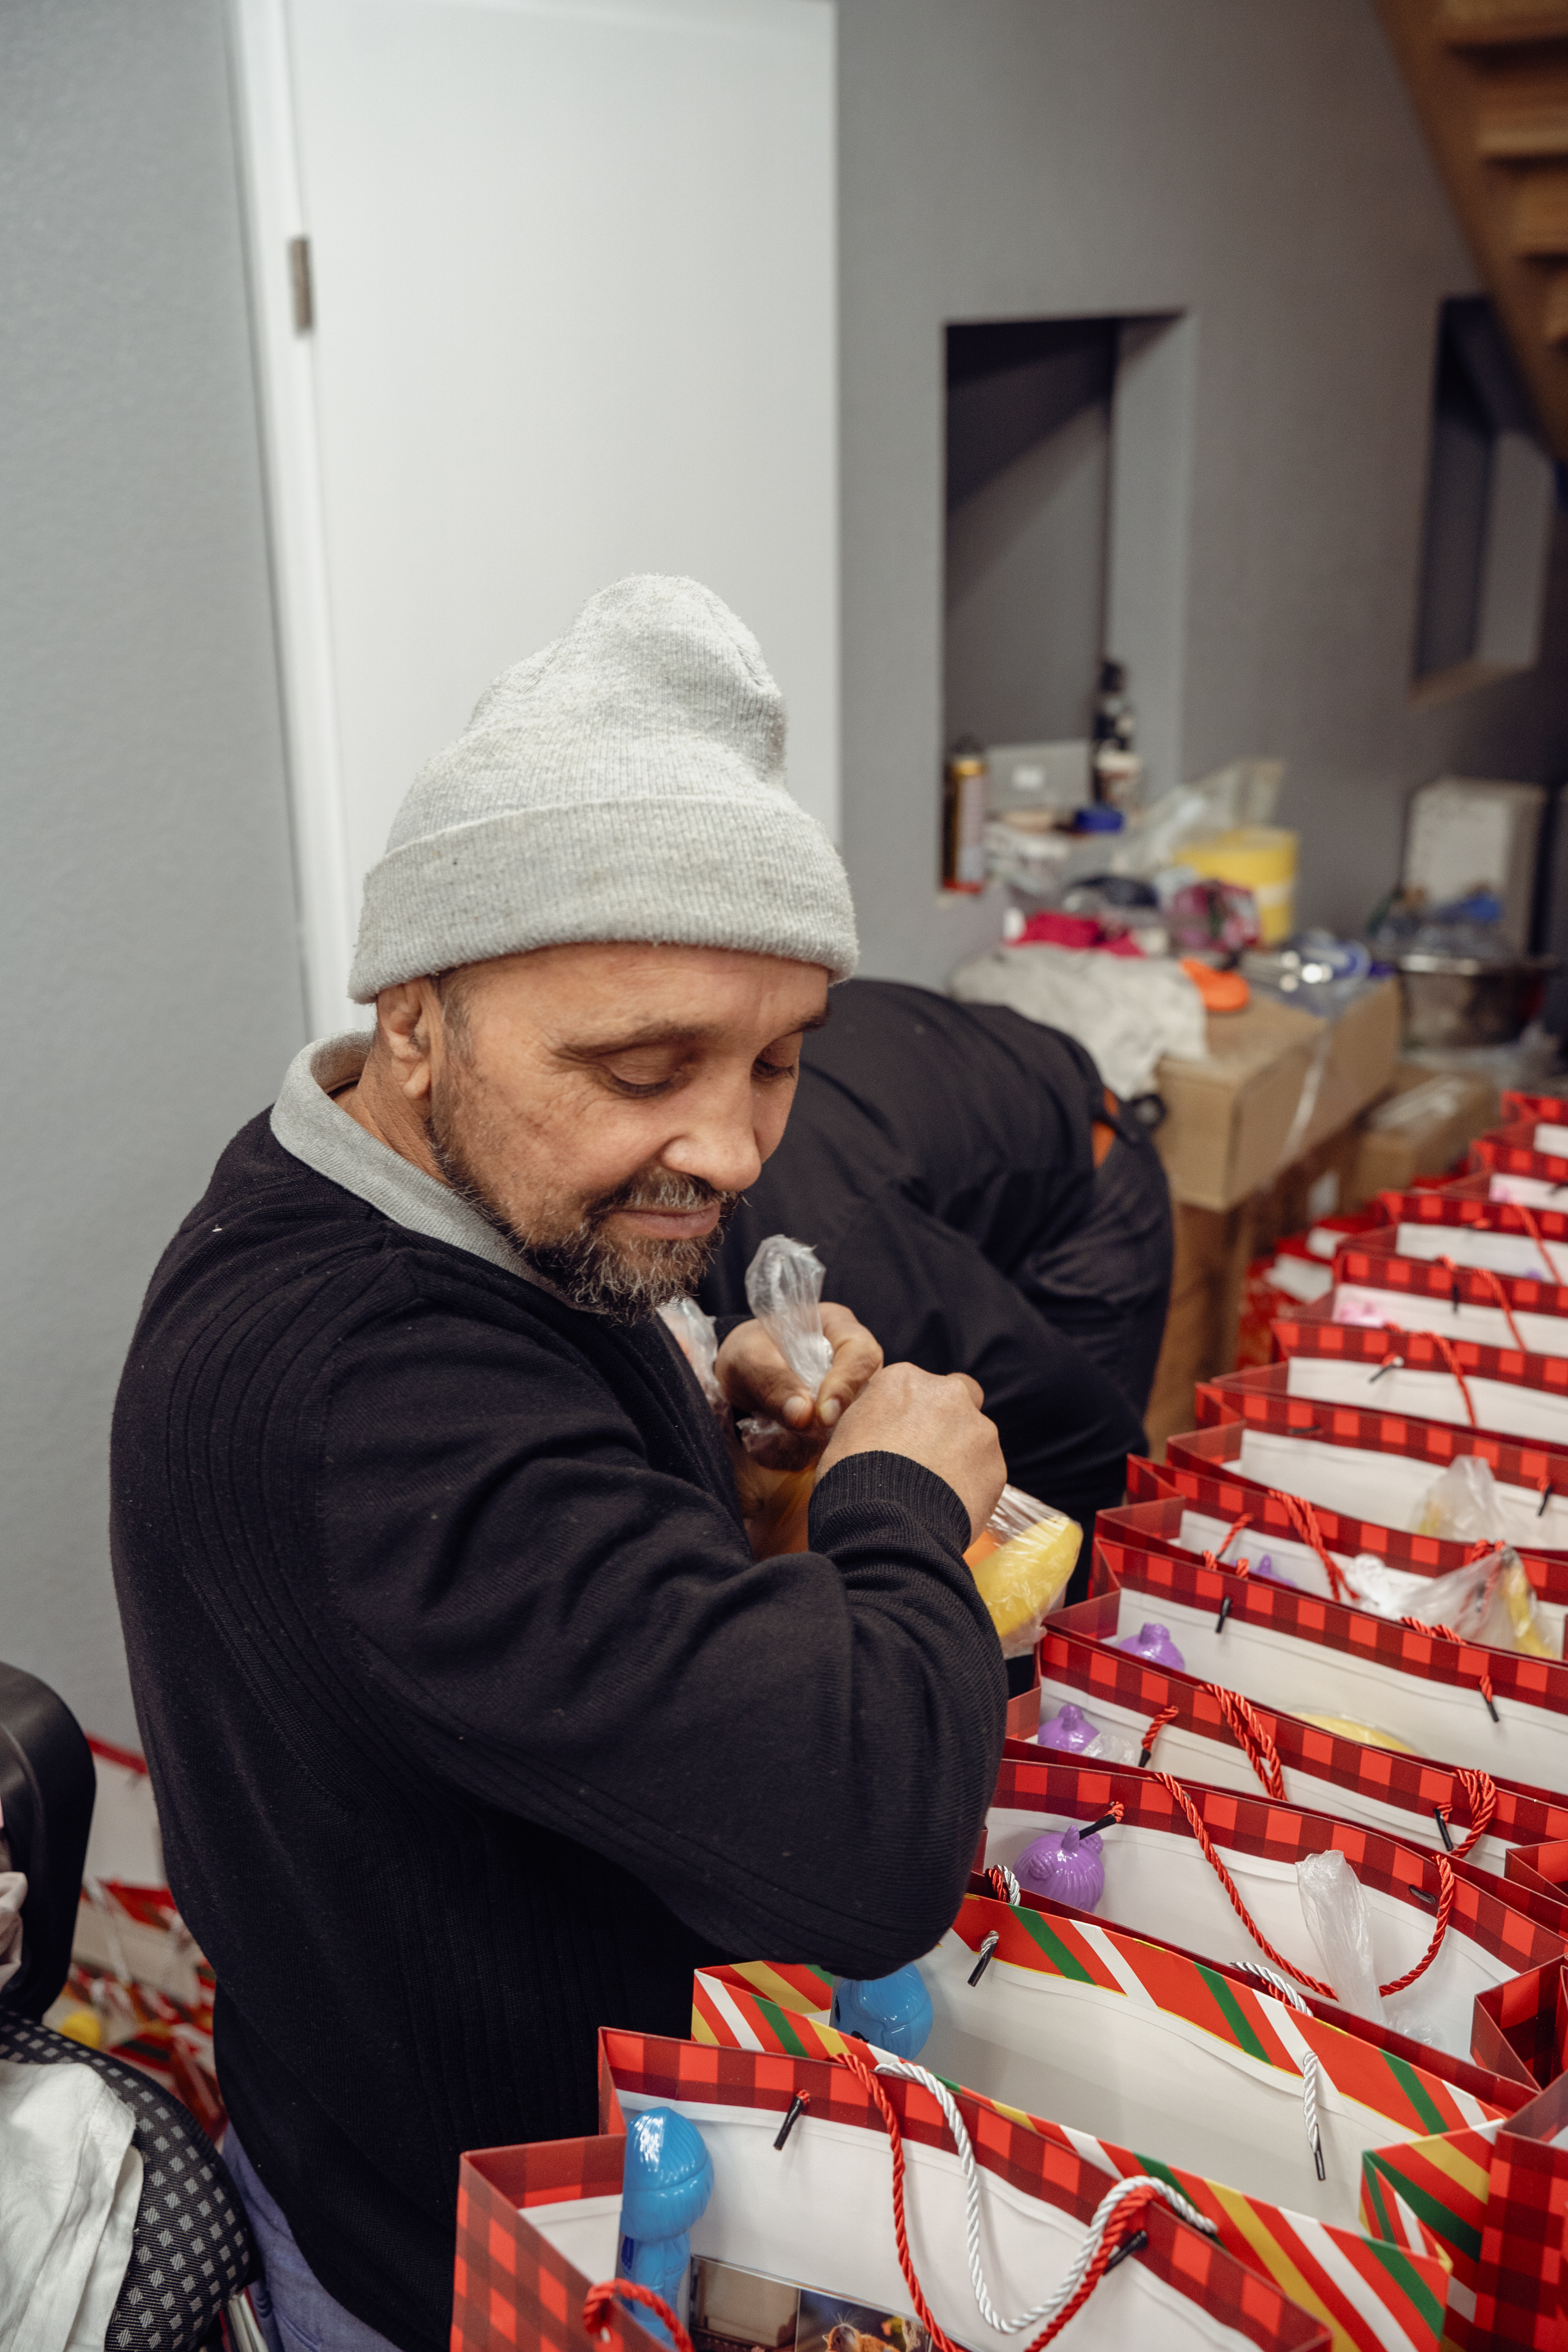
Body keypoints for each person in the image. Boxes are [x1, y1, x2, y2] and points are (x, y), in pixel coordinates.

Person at [109, 577, 1008, 2352]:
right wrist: (891, 1504)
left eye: (772, 1063)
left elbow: (494, 1564)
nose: (730, 1146)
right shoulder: (368, 1393)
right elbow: (858, 1837)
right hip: (466, 2250)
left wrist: (700, 1447)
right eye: (639, 1065)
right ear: (418, 1009)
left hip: (448, 2090)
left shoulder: (371, 1176)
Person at [702, 978, 1172, 1591]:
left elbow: (1088, 1439)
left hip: (1080, 1173)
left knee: (1052, 1512)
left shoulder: (831, 1270)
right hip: (913, 1125)